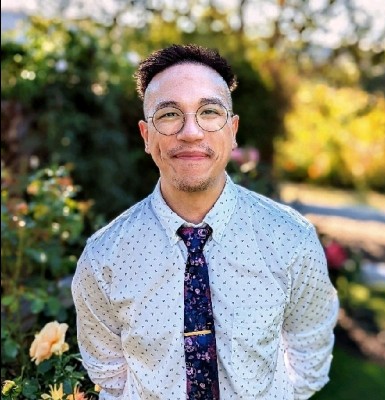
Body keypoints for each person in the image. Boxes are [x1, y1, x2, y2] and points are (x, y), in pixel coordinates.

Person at [71, 44, 339, 400]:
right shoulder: (104, 257)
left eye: (209, 111)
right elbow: (108, 371)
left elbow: (310, 352)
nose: (191, 132)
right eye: (168, 114)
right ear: (146, 136)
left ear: (233, 129)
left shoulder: (291, 239)